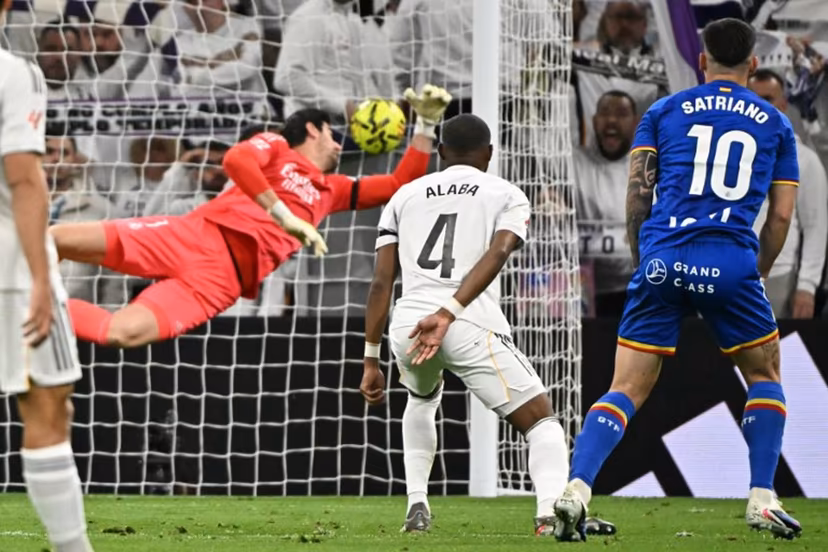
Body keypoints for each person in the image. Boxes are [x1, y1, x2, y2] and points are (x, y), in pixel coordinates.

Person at [554, 18, 802, 541]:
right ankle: (761, 496)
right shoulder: (777, 124)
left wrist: (647, 257)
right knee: (764, 377)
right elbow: (781, 218)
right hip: (732, 260)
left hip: (664, 258)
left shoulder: (664, 110)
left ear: (701, 62)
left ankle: (576, 488)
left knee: (625, 386)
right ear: (753, 64)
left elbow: (638, 195)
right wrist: (754, 272)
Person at [360, 114, 615, 537]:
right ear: (490, 154)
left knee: (421, 400)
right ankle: (551, 516)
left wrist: (371, 359)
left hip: (407, 325)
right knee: (541, 422)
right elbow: (498, 253)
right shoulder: (505, 193)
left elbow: (381, 282)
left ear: (440, 153)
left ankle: (417, 504)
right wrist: (449, 313)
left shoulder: (403, 196)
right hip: (464, 320)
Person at [50, 85, 451, 348]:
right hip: (194, 234)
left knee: (122, 333)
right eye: (332, 135)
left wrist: (427, 124)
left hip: (218, 282)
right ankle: (15, 282)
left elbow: (402, 180)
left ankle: (25, 313)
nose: (337, 145)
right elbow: (236, 158)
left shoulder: (334, 189)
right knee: (56, 239)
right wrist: (281, 213)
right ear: (312, 130)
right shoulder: (276, 146)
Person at [0, 6, 94, 550]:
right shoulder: (17, 73)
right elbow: (24, 180)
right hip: (11, 273)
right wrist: (41, 276)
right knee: (47, 404)